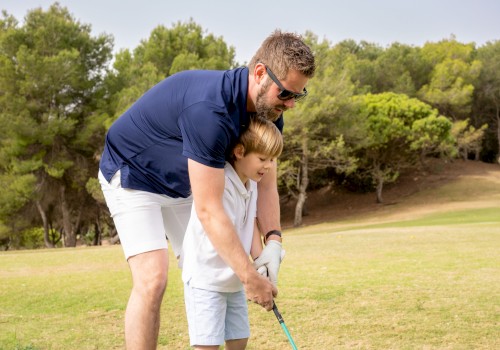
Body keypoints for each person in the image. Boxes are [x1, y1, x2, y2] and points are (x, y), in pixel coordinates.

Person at [98, 29, 315, 349]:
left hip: (186, 184)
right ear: (260, 74)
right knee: (153, 279)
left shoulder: (269, 114)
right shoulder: (210, 112)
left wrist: (272, 241)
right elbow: (209, 210)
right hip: (134, 173)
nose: (291, 104)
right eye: (286, 94)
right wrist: (251, 280)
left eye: (299, 95)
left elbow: (266, 183)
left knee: (213, 268)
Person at [182, 116, 283, 349]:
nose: (268, 166)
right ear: (239, 152)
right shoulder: (223, 182)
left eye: (272, 160)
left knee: (239, 339)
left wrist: (262, 263)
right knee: (207, 345)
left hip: (234, 279)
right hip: (207, 280)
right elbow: (224, 232)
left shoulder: (251, 184)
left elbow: (248, 228)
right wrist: (253, 277)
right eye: (262, 159)